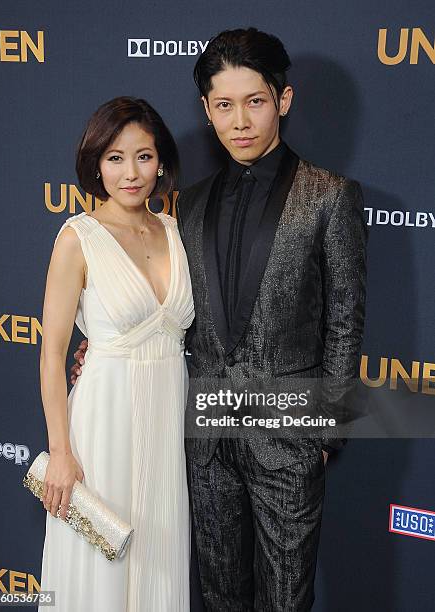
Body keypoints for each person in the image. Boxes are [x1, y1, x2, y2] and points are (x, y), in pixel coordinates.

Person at [73, 28, 367, 611]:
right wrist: (96, 349)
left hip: (287, 439)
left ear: (283, 100)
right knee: (218, 596)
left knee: (286, 598)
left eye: (254, 102)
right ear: (207, 111)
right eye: (224, 105)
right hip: (203, 440)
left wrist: (321, 435)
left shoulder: (330, 195)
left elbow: (345, 317)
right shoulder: (189, 203)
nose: (240, 121)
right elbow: (166, 306)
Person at [39, 96, 193, 612]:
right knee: (101, 572)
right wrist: (61, 451)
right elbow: (53, 353)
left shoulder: (175, 232)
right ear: (95, 164)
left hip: (168, 424)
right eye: (115, 157)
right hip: (103, 427)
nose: (131, 173)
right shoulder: (77, 239)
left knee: (157, 560)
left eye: (144, 156)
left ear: (161, 161)